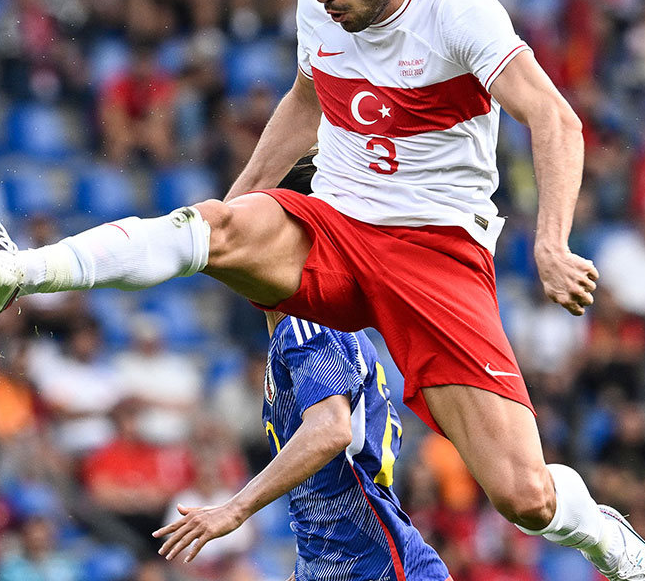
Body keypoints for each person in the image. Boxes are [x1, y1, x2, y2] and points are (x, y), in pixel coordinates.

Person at [0, 0, 645, 581]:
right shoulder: (318, 11)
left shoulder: (458, 9)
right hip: (336, 220)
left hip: (436, 254)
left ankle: (608, 539)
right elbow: (307, 99)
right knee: (201, 228)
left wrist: (551, 242)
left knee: (524, 496)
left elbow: (553, 117)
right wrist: (236, 205)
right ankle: (19, 272)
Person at [153, 155, 448, 580]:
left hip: (378, 565)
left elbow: (331, 429)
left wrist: (235, 509)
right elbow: (320, 496)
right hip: (340, 564)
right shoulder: (291, 332)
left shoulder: (309, 321)